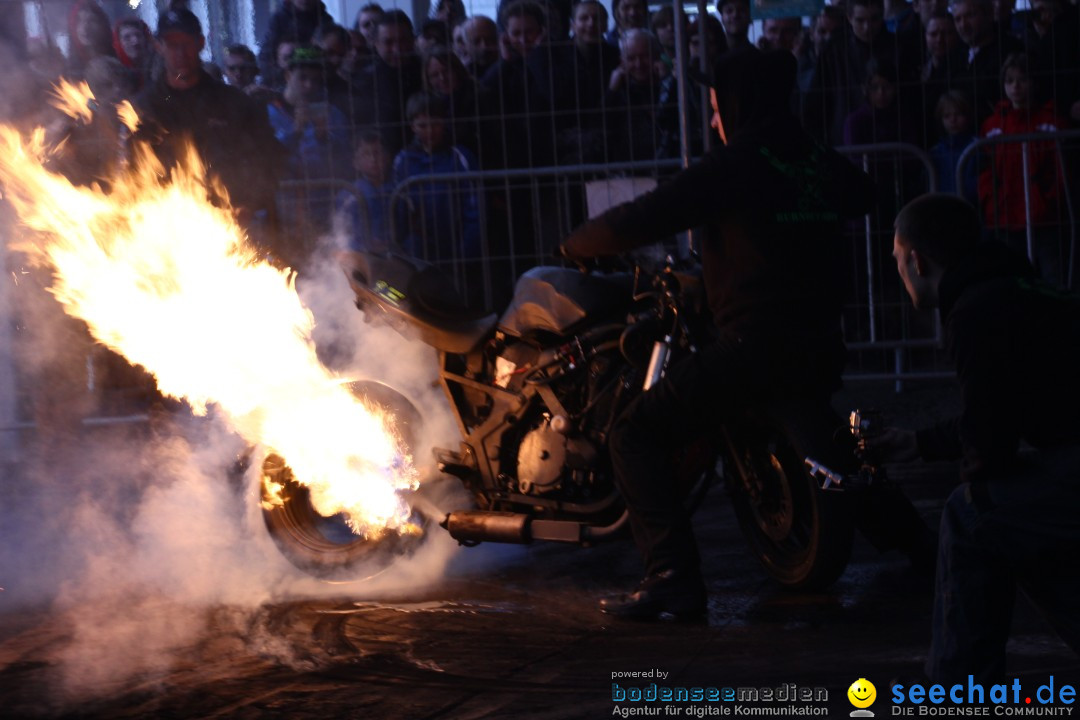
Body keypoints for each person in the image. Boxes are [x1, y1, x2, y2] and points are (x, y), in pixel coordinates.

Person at [560, 50, 883, 620]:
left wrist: (577, 244)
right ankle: (915, 541)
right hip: (820, 342)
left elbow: (642, 217)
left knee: (633, 434)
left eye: (715, 108)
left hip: (754, 343)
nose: (713, 121)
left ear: (738, 104)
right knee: (830, 436)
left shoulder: (735, 165)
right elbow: (863, 193)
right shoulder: (810, 160)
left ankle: (670, 575)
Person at [877, 193, 1080, 682]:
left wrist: (977, 476)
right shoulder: (1016, 289)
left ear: (916, 261)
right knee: (1005, 516)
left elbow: (990, 447)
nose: (899, 273)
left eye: (897, 261)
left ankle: (955, 693)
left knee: (971, 516)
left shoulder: (974, 314)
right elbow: (999, 414)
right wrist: (917, 442)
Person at [133, 9, 284, 248]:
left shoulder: (234, 103)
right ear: (159, 47)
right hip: (167, 228)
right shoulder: (144, 108)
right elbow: (131, 170)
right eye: (172, 45)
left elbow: (269, 158)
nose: (180, 53)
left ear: (200, 43)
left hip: (233, 226)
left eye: (186, 43)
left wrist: (250, 202)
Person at [977, 52, 1065, 286]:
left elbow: (1060, 172)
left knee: (1051, 276)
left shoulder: (1050, 123)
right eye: (1010, 80)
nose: (1016, 86)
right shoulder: (993, 126)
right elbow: (985, 170)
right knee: (1012, 278)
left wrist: (1048, 200)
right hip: (1004, 215)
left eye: (1022, 79)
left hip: (1043, 217)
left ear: (1034, 82)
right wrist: (990, 202)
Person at [337, 129, 403, 253]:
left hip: (396, 255)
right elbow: (344, 233)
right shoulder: (348, 195)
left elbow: (408, 228)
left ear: (388, 157)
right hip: (361, 256)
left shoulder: (399, 191)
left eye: (377, 153)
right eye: (366, 154)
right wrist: (364, 246)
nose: (373, 159)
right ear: (356, 162)